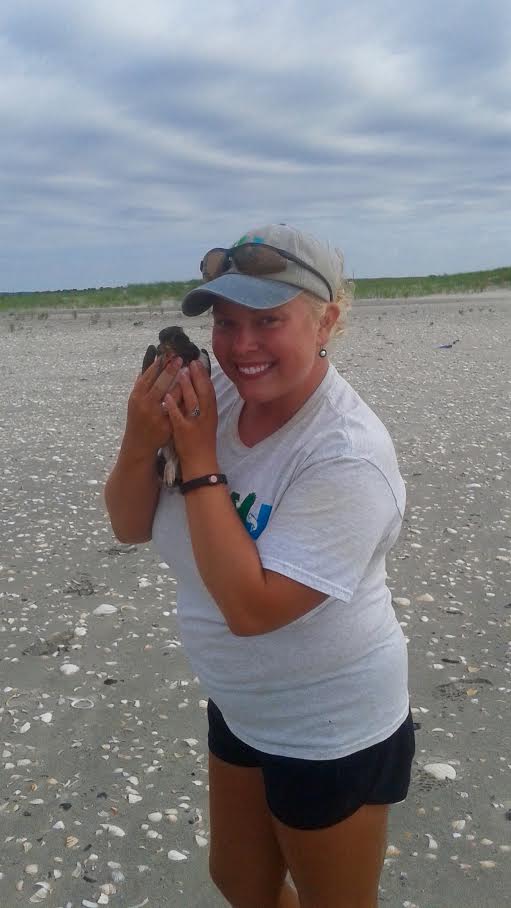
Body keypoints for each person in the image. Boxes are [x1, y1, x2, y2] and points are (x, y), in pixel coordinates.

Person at [104, 224, 415, 908]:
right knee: (240, 882)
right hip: (242, 706)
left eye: (268, 321)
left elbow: (252, 609)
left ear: (327, 319)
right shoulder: (210, 391)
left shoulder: (346, 454)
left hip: (330, 724)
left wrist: (200, 463)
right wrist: (140, 439)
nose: (240, 347)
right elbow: (129, 525)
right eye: (226, 321)